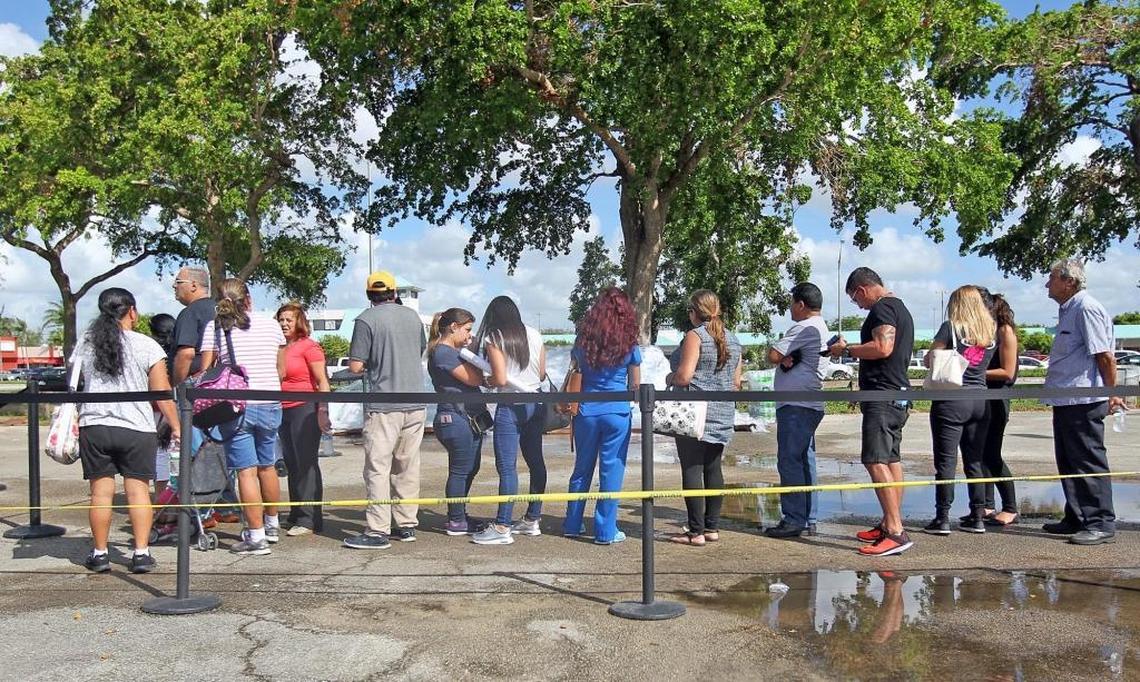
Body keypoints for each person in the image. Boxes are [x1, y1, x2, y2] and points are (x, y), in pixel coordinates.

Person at [75, 288, 179, 574]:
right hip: (136, 427)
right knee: (138, 493)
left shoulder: (85, 343)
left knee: (100, 494)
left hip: (95, 425)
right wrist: (176, 424)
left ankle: (99, 553)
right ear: (132, 310)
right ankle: (141, 553)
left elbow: (75, 383)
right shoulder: (146, 345)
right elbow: (161, 392)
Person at [829, 267, 914, 556]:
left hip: (882, 396)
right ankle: (891, 522)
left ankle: (895, 531)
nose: (857, 304)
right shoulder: (899, 307)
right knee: (891, 460)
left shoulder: (882, 309)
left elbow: (882, 347)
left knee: (875, 460)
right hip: (896, 395)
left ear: (862, 289)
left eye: (855, 299)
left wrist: (848, 350)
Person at [200, 278, 286, 555]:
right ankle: (272, 524)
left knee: (246, 472)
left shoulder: (216, 328)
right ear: (248, 298)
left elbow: (206, 373)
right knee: (268, 465)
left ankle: (256, 536)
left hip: (236, 406)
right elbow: (281, 369)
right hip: (271, 401)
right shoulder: (271, 325)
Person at [1041, 258, 1123, 546]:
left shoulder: (1086, 308)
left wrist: (1112, 393)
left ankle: (1100, 522)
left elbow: (1105, 355)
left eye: (1052, 278)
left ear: (1069, 282)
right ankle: (1076, 516)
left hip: (1084, 400)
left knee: (1088, 461)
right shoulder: (1069, 311)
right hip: (1066, 400)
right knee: (1068, 461)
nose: (1047, 284)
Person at [344, 271, 427, 550]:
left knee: (378, 468)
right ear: (395, 293)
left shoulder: (366, 320)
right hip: (415, 402)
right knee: (407, 465)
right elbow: (419, 351)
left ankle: (378, 529)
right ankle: (407, 524)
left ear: (369, 295)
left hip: (383, 404)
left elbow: (356, 366)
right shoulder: (413, 318)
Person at [564, 287, 641, 545]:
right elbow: (635, 385)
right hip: (617, 412)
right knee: (611, 471)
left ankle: (572, 524)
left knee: (581, 469)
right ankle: (605, 531)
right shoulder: (629, 343)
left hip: (586, 411)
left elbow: (575, 370)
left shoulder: (583, 342)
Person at [666, 289, 743, 547]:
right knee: (713, 468)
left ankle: (695, 532)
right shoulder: (733, 339)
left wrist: (670, 378)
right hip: (722, 412)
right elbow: (735, 383)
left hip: (694, 413)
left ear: (694, 312)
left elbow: (684, 376)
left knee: (691, 469)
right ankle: (712, 528)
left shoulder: (695, 336)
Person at [470, 295, 548, 546]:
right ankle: (532, 518)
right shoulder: (535, 334)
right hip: (535, 402)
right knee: (536, 463)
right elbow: (543, 372)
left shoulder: (495, 337)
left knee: (507, 466)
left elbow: (501, 379)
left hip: (510, 405)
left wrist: (487, 380)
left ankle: (503, 525)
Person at [923, 285, 996, 535]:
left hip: (952, 400)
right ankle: (978, 515)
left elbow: (931, 358)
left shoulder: (950, 328)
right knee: (974, 461)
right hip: (981, 399)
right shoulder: (991, 332)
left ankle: (942, 517)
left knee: (946, 462)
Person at [765, 282, 829, 539]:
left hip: (796, 405)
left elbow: (773, 354)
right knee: (804, 460)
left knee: (790, 460)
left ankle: (793, 519)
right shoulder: (821, 328)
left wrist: (782, 356)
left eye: (792, 303)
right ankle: (807, 516)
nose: (790, 309)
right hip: (808, 403)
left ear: (801, 304)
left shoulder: (804, 327)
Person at [426, 307, 485, 536]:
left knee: (470, 467)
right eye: (467, 330)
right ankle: (456, 519)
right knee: (460, 470)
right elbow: (473, 378)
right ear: (453, 327)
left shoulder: (448, 352)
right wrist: (474, 359)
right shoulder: (444, 353)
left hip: (464, 418)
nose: (469, 336)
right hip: (456, 418)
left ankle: (458, 514)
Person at [276, 302, 331, 537]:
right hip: (282, 409)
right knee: (291, 462)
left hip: (305, 408)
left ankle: (310, 518)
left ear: (299, 322)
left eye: (289, 319)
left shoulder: (309, 347)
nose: (284, 323)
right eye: (281, 319)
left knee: (306, 462)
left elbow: (322, 381)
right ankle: (296, 512)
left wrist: (322, 411)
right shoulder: (279, 347)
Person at [978, 292, 1020, 526]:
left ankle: (1010, 507)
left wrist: (973, 373)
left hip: (997, 398)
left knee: (992, 454)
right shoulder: (986, 332)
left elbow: (1007, 371)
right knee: (980, 454)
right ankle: (986, 505)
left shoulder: (1005, 332)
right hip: (983, 397)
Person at [147, 313, 177, 498]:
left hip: (155, 410)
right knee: (174, 456)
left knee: (160, 456)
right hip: (177, 408)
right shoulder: (177, 351)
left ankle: (160, 500)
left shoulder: (153, 350)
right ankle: (173, 499)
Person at [169, 266, 214, 385]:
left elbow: (186, 354)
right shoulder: (221, 309)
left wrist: (177, 386)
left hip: (194, 384)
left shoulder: (190, 312)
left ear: (194, 285)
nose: (174, 286)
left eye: (178, 282)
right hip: (221, 383)